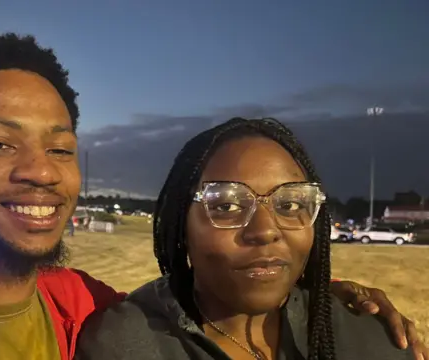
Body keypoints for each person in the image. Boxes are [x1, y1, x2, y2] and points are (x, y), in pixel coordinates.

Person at [0, 31, 425, 360]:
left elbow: (209, 301)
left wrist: (336, 295)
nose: (41, 172)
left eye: (61, 148)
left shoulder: (85, 309)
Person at [74, 117, 425, 360]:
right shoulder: (125, 344)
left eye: (289, 203)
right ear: (182, 226)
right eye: (226, 205)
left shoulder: (370, 338)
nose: (265, 231)